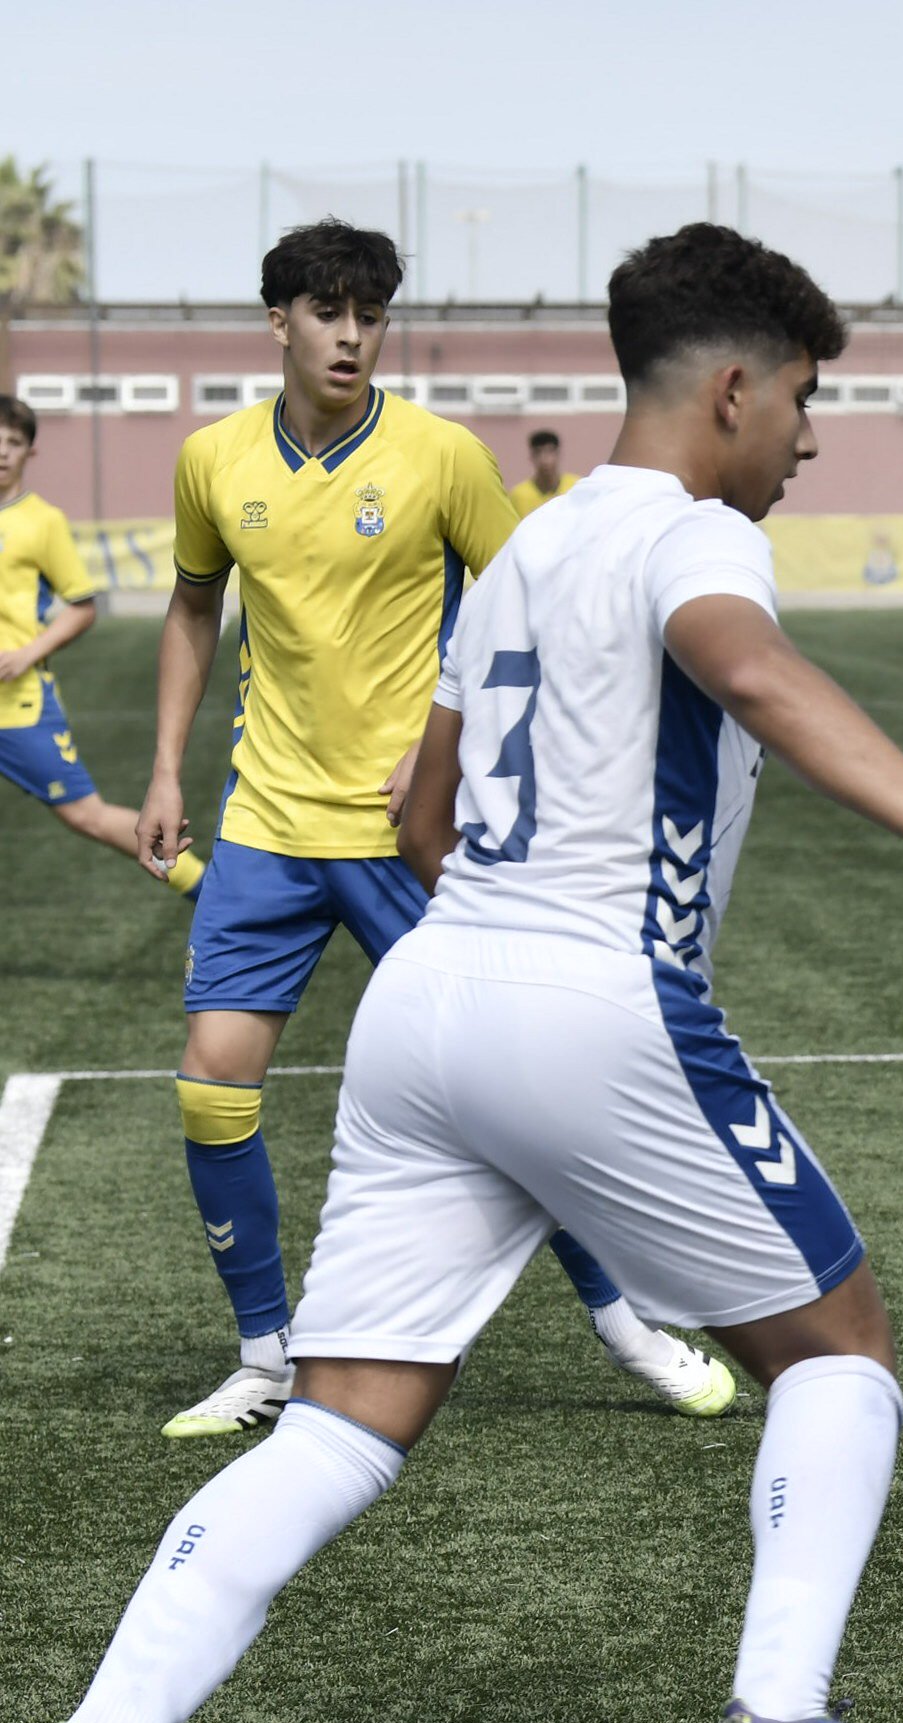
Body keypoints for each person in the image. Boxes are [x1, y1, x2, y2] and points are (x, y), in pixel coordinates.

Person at [6, 221, 903, 1723]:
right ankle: (784, 1704)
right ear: (733, 388)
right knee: (841, 1341)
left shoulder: (530, 550)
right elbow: (748, 670)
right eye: (805, 403)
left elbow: (423, 810)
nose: (811, 440)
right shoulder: (698, 538)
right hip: (594, 992)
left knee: (345, 1413)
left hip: (428, 995)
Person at [141, 219, 729, 1440]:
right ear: (278, 323)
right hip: (264, 820)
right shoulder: (212, 460)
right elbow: (194, 610)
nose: (351, 335)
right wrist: (162, 771)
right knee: (212, 1089)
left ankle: (626, 1325)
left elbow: (529, 608)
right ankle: (266, 1355)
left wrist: (444, 740)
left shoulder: (442, 457)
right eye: (326, 311)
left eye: (369, 314)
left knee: (518, 1089)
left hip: (407, 833)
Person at [0, 395, 200, 893]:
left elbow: (82, 606)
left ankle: (208, 891)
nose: (2, 451)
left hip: (17, 706)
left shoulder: (41, 521)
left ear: (30, 453)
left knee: (87, 816)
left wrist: (27, 653)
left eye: (13, 442)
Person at [506, 428, 576, 514]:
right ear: (531, 457)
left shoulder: (575, 487)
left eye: (549, 451)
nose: (544, 459)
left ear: (558, 454)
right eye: (538, 452)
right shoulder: (518, 495)